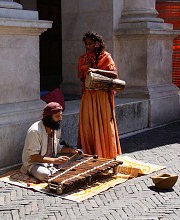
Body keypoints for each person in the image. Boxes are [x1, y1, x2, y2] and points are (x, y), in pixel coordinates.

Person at [77, 31, 122, 159]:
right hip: (88, 95)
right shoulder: (82, 58)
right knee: (87, 124)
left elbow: (114, 74)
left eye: (90, 44)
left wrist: (96, 70)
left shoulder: (106, 57)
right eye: (86, 44)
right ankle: (90, 153)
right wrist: (84, 74)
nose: (87, 46)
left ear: (97, 44)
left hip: (101, 96)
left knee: (103, 124)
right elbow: (81, 78)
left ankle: (105, 153)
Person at [20, 102, 78, 181]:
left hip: (52, 161)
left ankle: (56, 170)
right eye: (57, 116)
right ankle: (55, 171)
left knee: (80, 155)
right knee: (46, 175)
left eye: (61, 115)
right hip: (35, 164)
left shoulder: (56, 128)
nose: (60, 119)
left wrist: (71, 150)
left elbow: (57, 147)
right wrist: (55, 160)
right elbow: (33, 156)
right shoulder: (35, 131)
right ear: (49, 118)